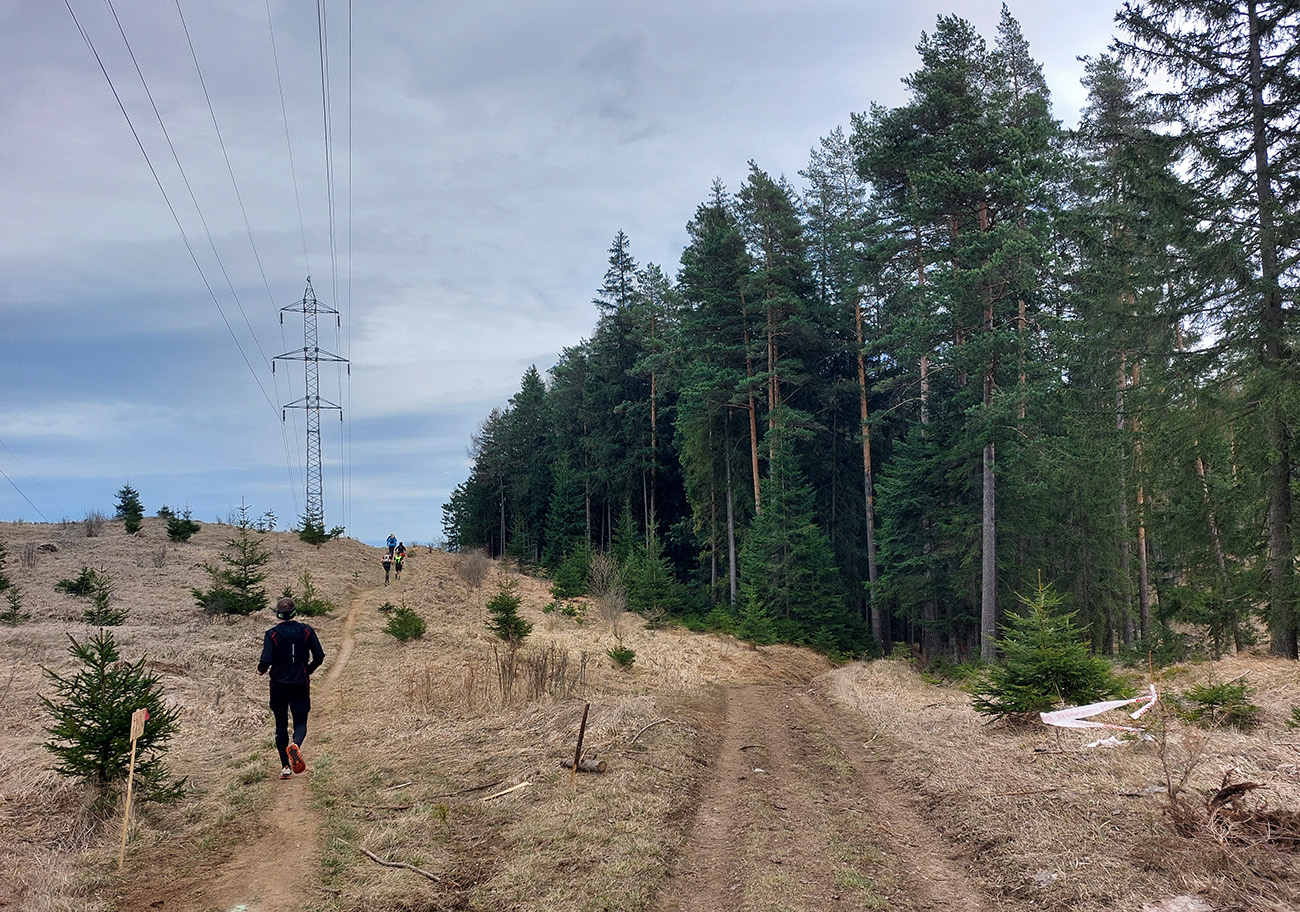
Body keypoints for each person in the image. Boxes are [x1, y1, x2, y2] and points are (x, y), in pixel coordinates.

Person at [257, 597, 325, 780]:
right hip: (300, 684)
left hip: (278, 685)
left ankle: (285, 767)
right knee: (300, 722)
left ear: (277, 614)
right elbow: (319, 656)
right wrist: (307, 671)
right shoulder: (307, 631)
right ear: (295, 612)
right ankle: (295, 745)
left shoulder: (272, 634)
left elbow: (266, 660)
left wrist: (261, 670)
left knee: (280, 724)